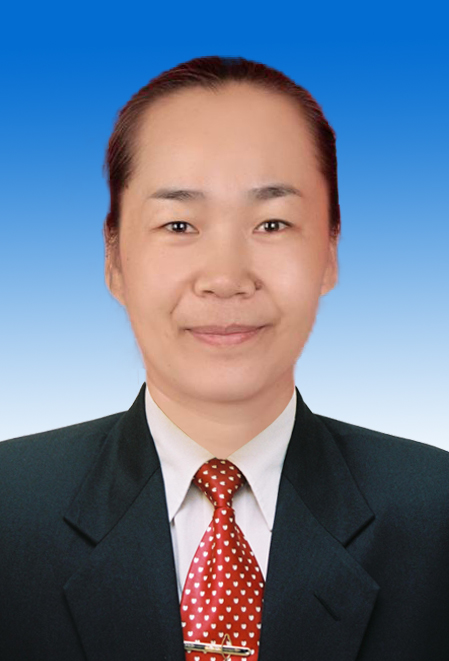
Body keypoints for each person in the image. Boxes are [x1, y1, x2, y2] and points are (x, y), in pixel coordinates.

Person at [1, 55, 448, 661]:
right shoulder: (10, 509)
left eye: (272, 223)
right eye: (179, 225)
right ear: (113, 258)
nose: (226, 278)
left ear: (330, 252)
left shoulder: (436, 517)